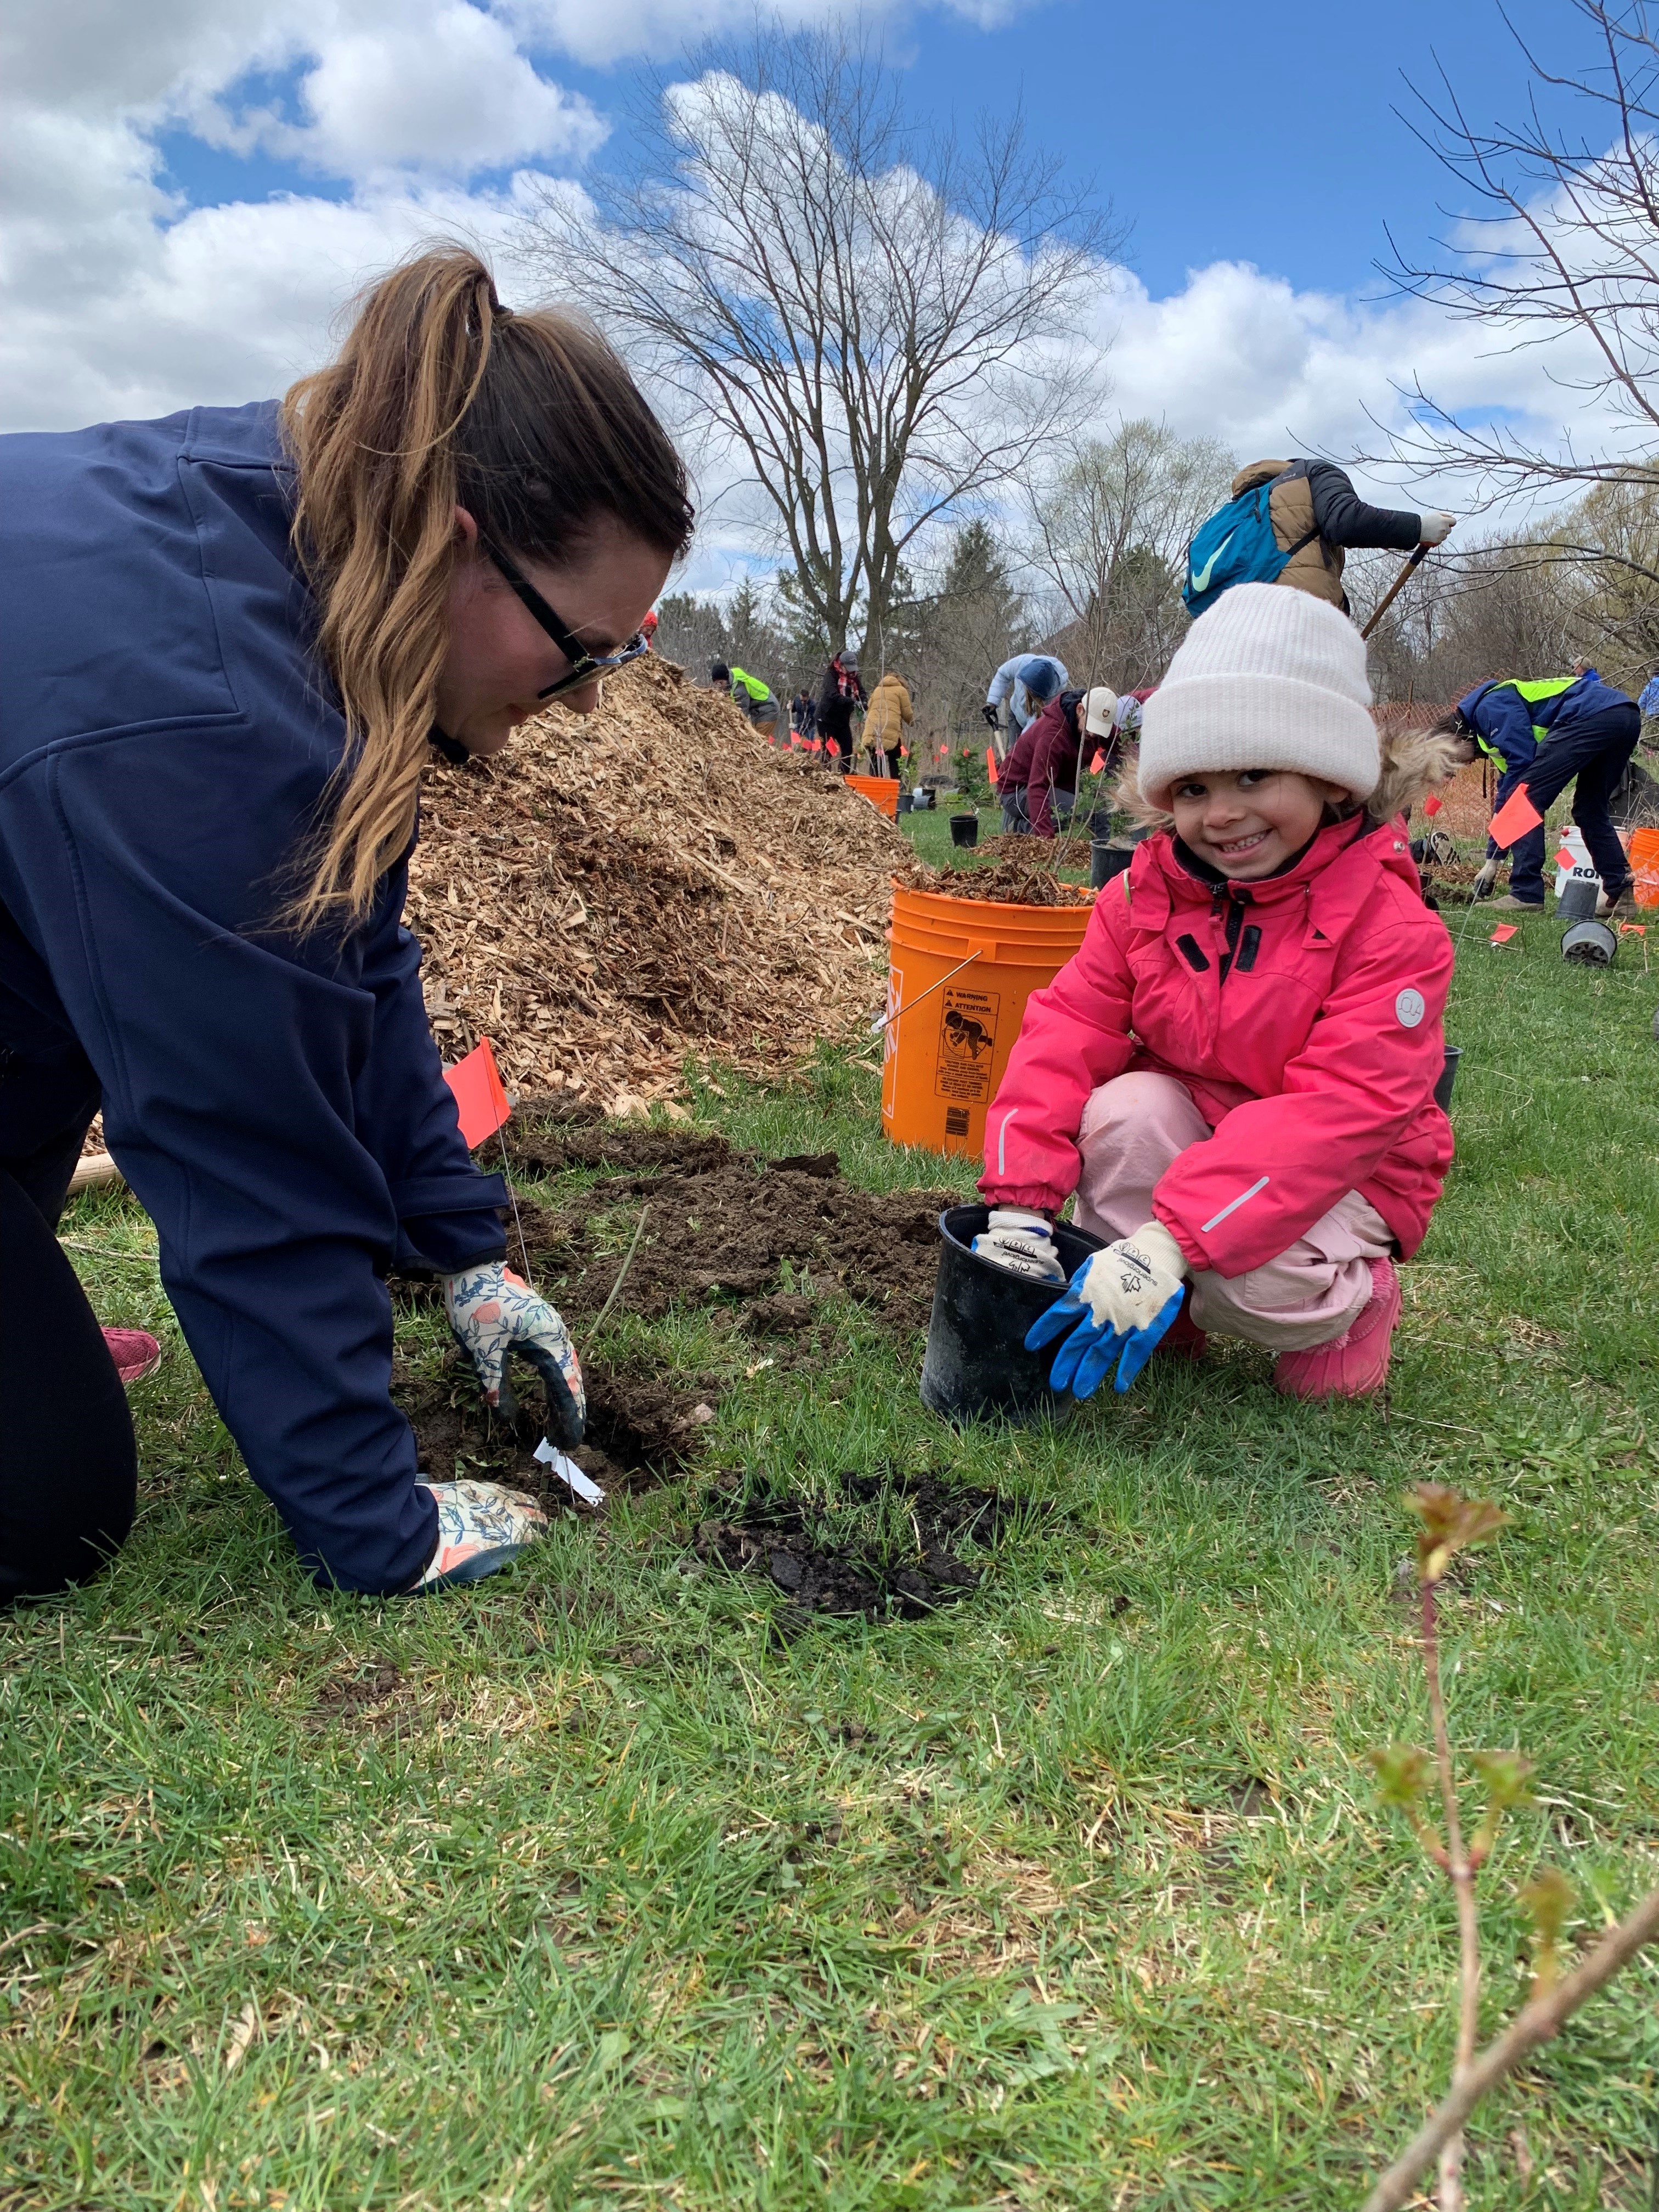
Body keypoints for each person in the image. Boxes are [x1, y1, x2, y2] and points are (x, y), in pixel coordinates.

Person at [0, 247, 693, 1604]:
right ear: (461, 543)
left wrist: (464, 1248)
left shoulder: (305, 550)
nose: (594, 700)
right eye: (586, 652)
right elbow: (247, 1146)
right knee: (48, 1511)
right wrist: (375, 1518)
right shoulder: (207, 715)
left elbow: (352, 962)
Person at [970, 583, 1458, 1403]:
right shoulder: (1140, 897)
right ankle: (1177, 1313)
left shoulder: (1390, 924)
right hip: (1204, 1125)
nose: (1222, 814)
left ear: (1333, 780)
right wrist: (1021, 1206)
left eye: (1255, 775)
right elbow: (1066, 1029)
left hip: (1352, 1168)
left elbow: (1339, 1113)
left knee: (1250, 1278)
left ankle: (1355, 1298)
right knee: (1123, 1114)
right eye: (1193, 789)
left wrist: (1174, 1240)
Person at [1435, 669, 1641, 912]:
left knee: (1527, 800)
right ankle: (1622, 894)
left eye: (1451, 759)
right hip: (1624, 715)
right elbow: (1508, 786)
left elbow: (1520, 778)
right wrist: (1494, 858)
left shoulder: (1489, 706)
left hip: (1591, 715)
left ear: (1455, 739)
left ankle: (1526, 892)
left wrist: (1493, 859)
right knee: (1589, 810)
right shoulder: (1490, 732)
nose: (1459, 766)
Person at [1184, 459, 1455, 619]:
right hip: (1297, 622)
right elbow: (1346, 521)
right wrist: (1419, 527)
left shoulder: (1227, 516)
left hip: (1225, 637)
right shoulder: (1312, 472)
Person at [1019, 686, 1121, 838]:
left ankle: (1101, 851)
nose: (1093, 734)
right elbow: (1038, 787)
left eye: (1098, 729)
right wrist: (1046, 839)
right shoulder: (1053, 735)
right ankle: (1021, 829)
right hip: (1020, 789)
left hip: (1058, 785)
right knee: (1086, 810)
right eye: (1091, 726)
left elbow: (1123, 743)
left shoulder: (1094, 719)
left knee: (1100, 805)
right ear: (1080, 710)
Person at [984, 653, 1068, 742]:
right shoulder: (1022, 662)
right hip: (1015, 714)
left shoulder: (1054, 696)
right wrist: (993, 702)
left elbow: (1032, 728)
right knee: (1013, 753)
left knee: (1022, 752)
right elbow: (1002, 675)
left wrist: (1021, 745)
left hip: (1037, 726)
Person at [817, 650, 865, 772]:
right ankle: (824, 775)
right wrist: (852, 701)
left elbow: (862, 692)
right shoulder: (831, 675)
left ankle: (843, 776)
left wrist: (864, 702)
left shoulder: (854, 678)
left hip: (843, 720)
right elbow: (832, 695)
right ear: (841, 664)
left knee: (847, 748)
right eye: (848, 668)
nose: (850, 671)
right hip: (826, 718)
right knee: (827, 750)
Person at [712, 661, 779, 742]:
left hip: (769, 708)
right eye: (717, 684)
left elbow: (742, 712)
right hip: (758, 710)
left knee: (760, 741)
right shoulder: (731, 680)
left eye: (721, 683)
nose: (720, 686)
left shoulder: (739, 689)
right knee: (756, 738)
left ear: (726, 678)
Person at [863, 669, 913, 778]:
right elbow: (907, 712)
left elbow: (868, 709)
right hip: (891, 729)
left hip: (873, 729)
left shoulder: (877, 690)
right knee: (895, 758)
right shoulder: (901, 690)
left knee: (876, 759)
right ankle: (896, 785)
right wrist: (912, 722)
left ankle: (874, 786)